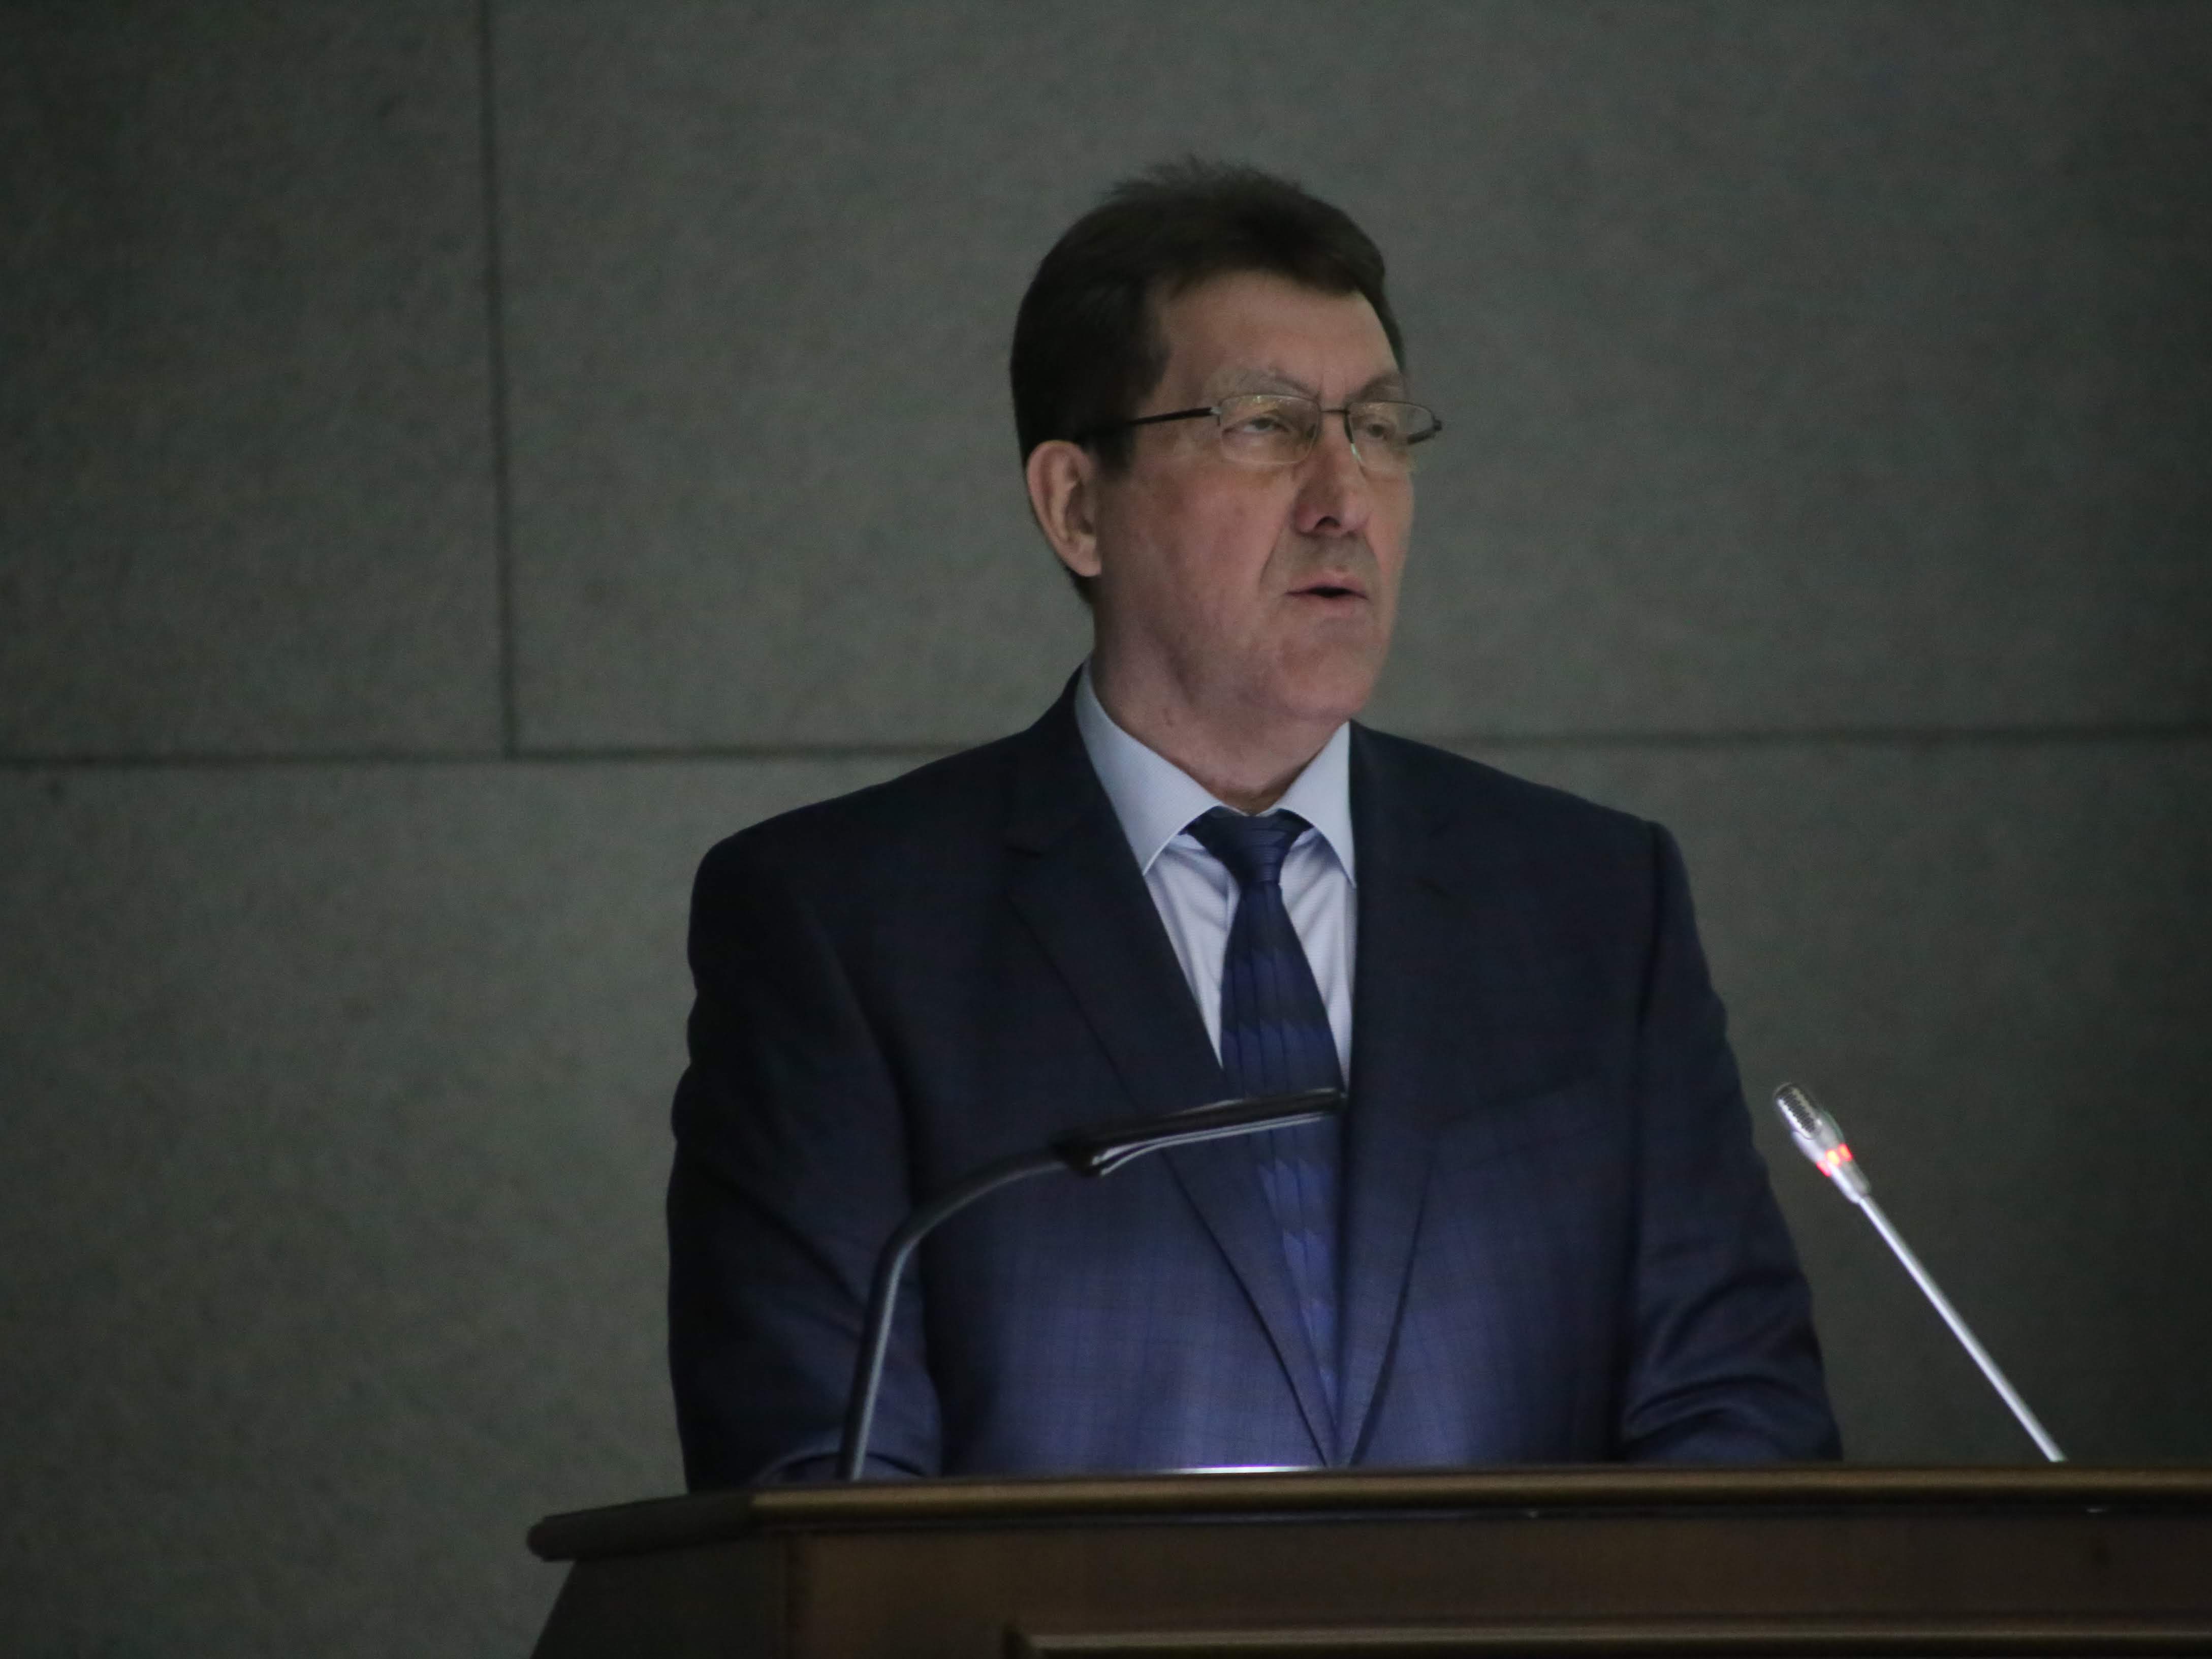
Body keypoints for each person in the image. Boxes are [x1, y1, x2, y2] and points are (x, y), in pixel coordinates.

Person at [667, 160, 1839, 1486]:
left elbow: (1736, 1419)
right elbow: (821, 1487)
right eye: (1265, 424)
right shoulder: (843, 925)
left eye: (1379, 428)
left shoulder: (1590, 902)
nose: (1344, 495)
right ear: (1076, 505)